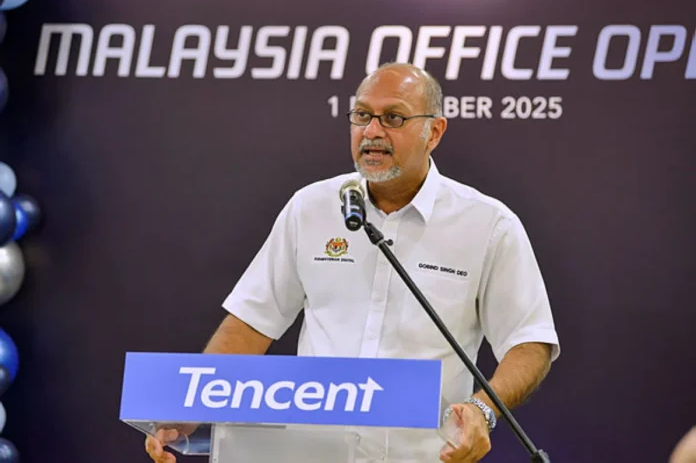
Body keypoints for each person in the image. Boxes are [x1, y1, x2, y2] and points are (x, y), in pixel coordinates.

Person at [145, 62, 560, 463]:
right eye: (362, 115)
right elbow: (251, 323)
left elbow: (530, 342)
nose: (372, 131)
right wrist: (187, 411)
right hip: (311, 457)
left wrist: (482, 410)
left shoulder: (487, 224)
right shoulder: (310, 208)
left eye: (393, 118)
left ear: (433, 132)